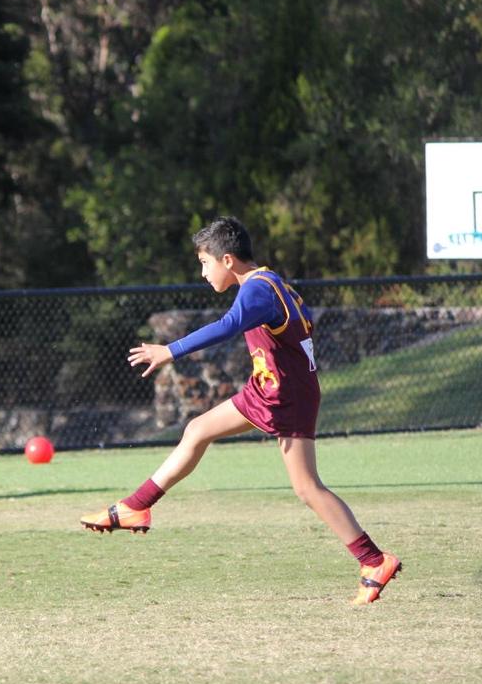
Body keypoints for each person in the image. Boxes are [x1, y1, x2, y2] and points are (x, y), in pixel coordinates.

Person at [79, 216, 401, 605]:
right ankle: (136, 506)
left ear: (227, 260)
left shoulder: (258, 289)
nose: (203, 273)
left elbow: (227, 326)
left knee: (307, 487)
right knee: (197, 430)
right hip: (269, 389)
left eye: (205, 263)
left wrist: (170, 351)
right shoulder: (269, 283)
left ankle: (374, 560)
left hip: (285, 396)